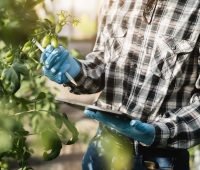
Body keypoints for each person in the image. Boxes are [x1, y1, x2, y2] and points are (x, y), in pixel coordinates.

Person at [40, 0, 200, 169]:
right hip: (103, 147)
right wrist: (73, 70)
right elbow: (102, 61)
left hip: (158, 160)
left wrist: (156, 133)